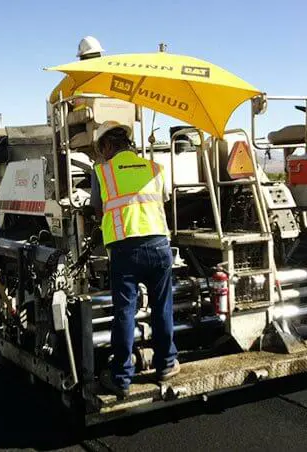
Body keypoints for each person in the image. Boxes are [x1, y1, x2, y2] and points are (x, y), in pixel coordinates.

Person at [92, 121, 179, 398]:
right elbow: (160, 200)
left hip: (125, 250)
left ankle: (121, 377)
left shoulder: (103, 172)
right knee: (162, 307)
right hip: (158, 246)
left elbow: (97, 209)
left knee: (125, 313)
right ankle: (166, 364)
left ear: (107, 146)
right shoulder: (155, 168)